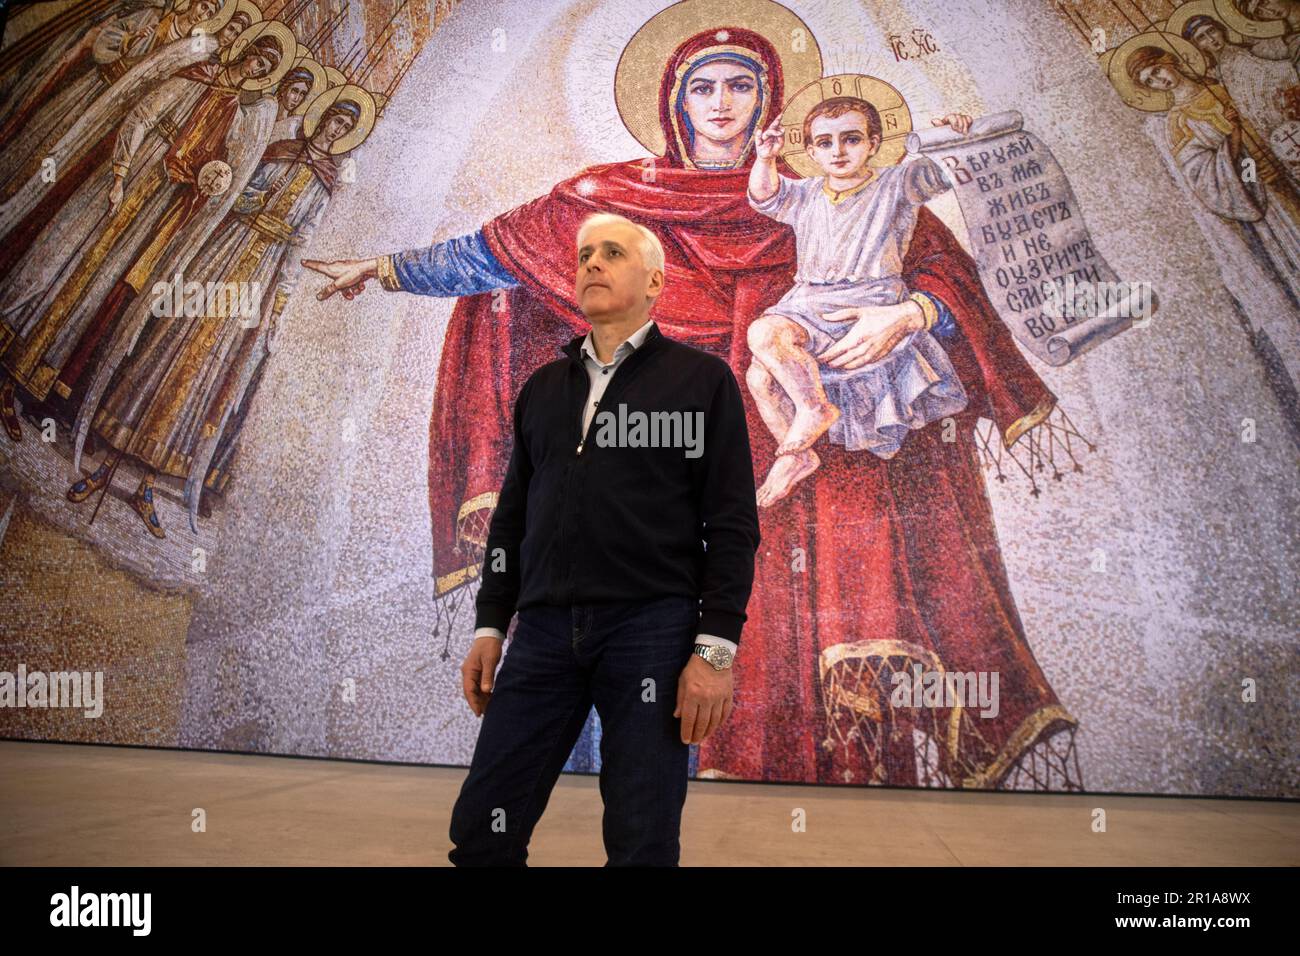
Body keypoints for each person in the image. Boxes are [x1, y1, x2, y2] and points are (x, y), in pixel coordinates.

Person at [312, 212, 761, 865]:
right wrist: (491, 626)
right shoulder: (544, 388)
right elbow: (512, 520)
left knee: (643, 836)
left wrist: (714, 652)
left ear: (656, 280)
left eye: (612, 253)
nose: (592, 264)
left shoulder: (700, 381)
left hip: (651, 631)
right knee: (484, 830)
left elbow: (731, 524)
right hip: (545, 632)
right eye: (584, 255)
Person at [745, 95, 972, 504]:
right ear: (811, 151)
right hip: (809, 301)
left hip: (869, 300)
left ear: (873, 143)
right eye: (826, 143)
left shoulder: (895, 184)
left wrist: (948, 136)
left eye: (851, 139)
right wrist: (765, 157)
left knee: (763, 340)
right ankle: (796, 455)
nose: (838, 151)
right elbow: (765, 196)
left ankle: (813, 411)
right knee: (759, 376)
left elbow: (941, 174)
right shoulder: (808, 193)